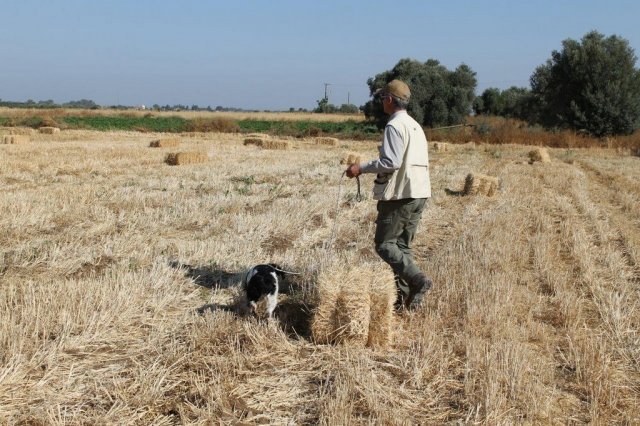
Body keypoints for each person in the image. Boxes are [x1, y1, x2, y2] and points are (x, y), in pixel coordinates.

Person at [346, 79, 432, 310]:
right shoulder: (414, 125)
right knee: (402, 247)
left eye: (383, 97)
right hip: (420, 192)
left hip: (400, 194)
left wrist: (360, 168)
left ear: (390, 100)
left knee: (384, 245)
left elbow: (390, 162)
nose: (381, 101)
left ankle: (417, 280)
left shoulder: (394, 126)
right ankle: (404, 301)